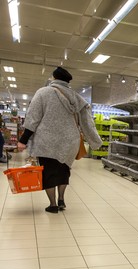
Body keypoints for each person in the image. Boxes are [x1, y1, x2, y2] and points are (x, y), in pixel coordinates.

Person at [17, 67, 102, 213]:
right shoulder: (77, 98)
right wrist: (95, 142)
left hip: (47, 141)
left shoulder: (43, 93)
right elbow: (87, 122)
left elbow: (33, 118)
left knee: (49, 172)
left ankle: (53, 204)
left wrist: (23, 140)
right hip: (70, 142)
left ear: (54, 78)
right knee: (64, 170)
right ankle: (61, 199)